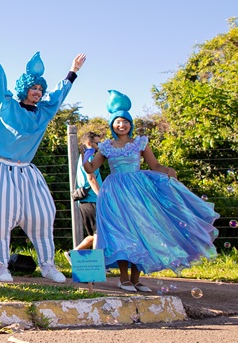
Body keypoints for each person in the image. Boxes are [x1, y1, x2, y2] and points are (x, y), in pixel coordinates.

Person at [0, 36, 86, 283]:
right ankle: (0, 266)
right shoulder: (6, 105)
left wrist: (73, 71)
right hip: (1, 169)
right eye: (34, 88)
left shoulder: (43, 112)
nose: (39, 92)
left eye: (41, 89)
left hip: (28, 172)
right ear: (25, 88)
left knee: (43, 214)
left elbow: (58, 95)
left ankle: (48, 265)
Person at [83, 90, 219, 292]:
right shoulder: (107, 147)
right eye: (118, 121)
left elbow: (155, 166)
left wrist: (169, 171)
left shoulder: (139, 143)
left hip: (138, 191)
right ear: (112, 124)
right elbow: (91, 169)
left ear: (131, 124)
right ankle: (123, 279)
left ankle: (136, 279)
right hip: (114, 193)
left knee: (142, 231)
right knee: (121, 234)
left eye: (126, 121)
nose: (122, 125)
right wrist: (87, 156)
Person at [66, 131, 102, 261]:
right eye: (97, 143)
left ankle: (74, 253)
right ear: (88, 143)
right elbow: (91, 178)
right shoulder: (89, 159)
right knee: (98, 233)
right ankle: (97, 262)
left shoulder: (84, 158)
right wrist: (101, 196)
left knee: (98, 233)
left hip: (88, 200)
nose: (99, 146)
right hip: (92, 200)